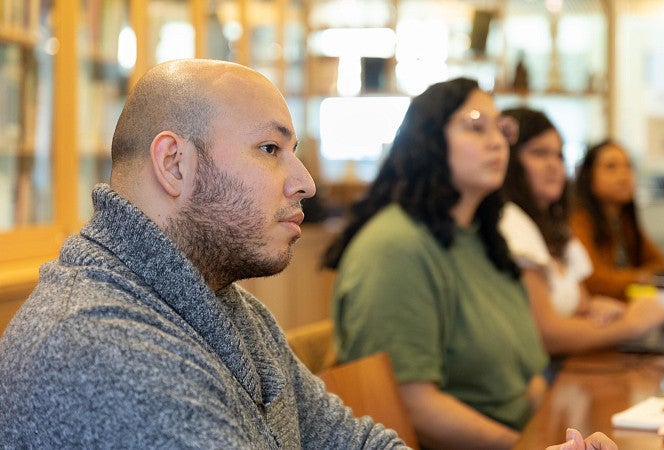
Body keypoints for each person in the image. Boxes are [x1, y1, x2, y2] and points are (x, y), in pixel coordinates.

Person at [0, 59, 407, 448]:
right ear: (174, 164)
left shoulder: (230, 306)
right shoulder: (100, 347)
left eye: (292, 150)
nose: (305, 182)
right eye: (270, 148)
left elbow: (349, 442)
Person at [322, 78, 616, 450]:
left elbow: (525, 379)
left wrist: (569, 436)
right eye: (476, 126)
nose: (497, 142)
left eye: (501, 130)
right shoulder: (395, 246)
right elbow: (411, 406)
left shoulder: (483, 239)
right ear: (428, 139)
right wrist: (525, 446)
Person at [499, 108, 664, 355]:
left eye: (559, 155)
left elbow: (582, 303)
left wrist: (598, 309)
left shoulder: (558, 228)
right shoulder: (514, 223)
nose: (554, 165)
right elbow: (548, 334)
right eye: (539, 153)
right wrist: (631, 323)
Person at [571, 139, 664, 300]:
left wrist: (635, 278)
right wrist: (638, 278)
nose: (624, 175)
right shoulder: (579, 219)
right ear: (588, 176)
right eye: (611, 167)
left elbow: (661, 265)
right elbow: (591, 279)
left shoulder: (623, 219)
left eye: (628, 166)